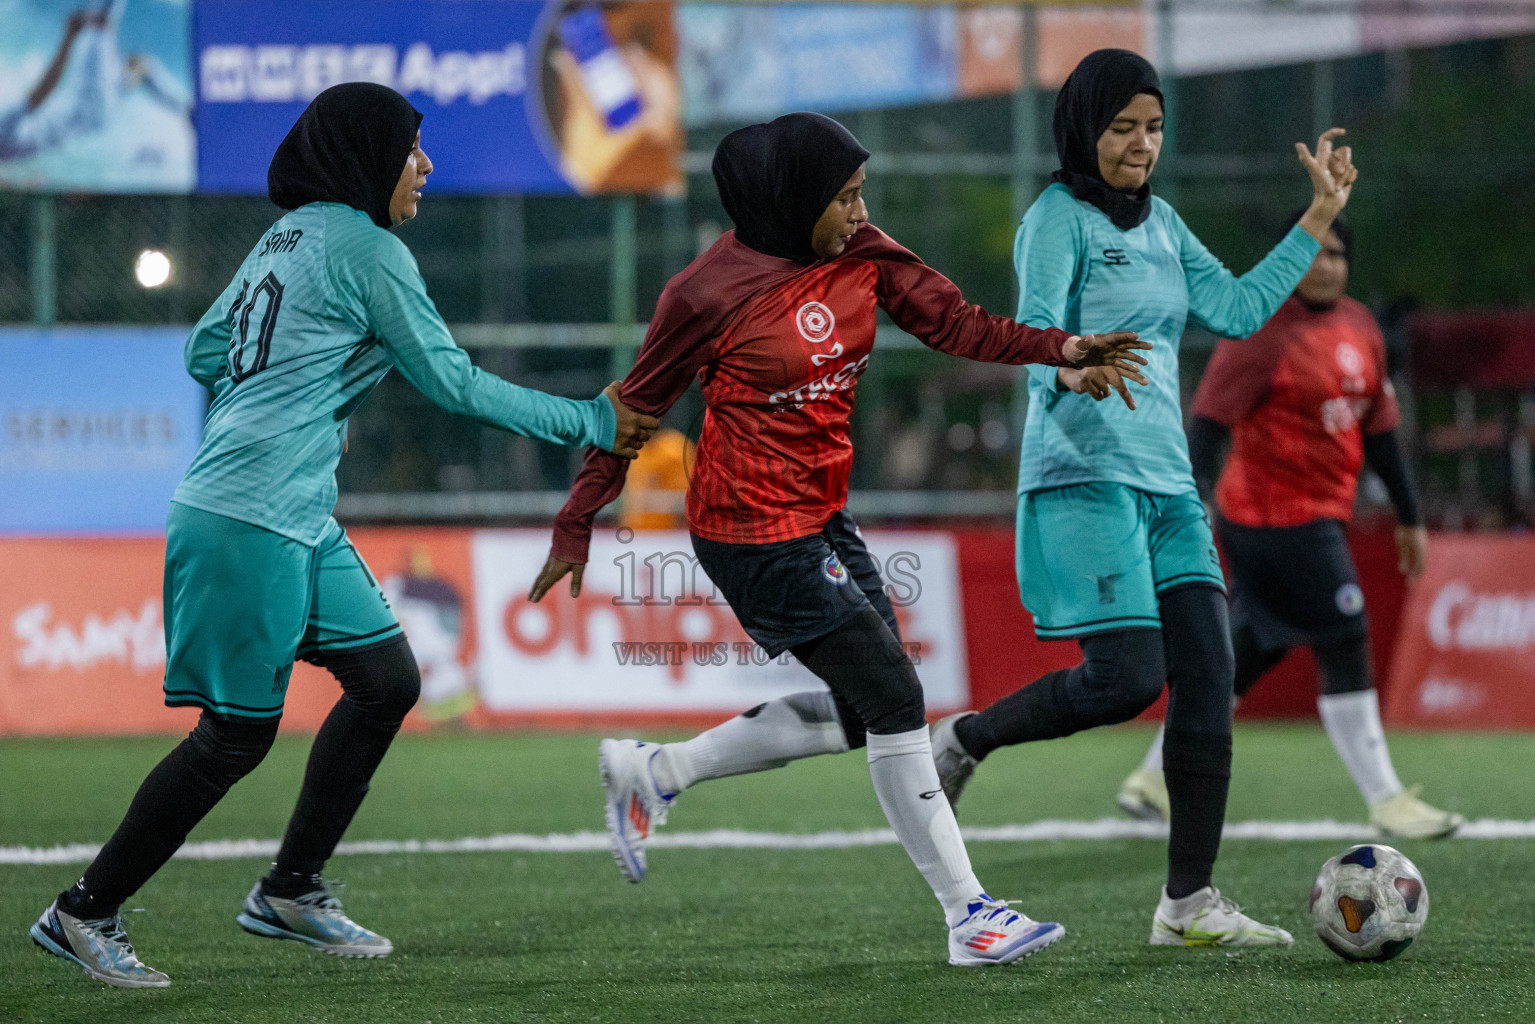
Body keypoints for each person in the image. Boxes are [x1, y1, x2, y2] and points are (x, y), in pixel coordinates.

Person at [29, 82, 658, 989]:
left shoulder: (284, 238)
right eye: (412, 147)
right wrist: (592, 420)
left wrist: (300, 382)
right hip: (248, 513)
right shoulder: (369, 248)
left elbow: (204, 353)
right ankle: (84, 911)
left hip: (287, 513)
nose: (426, 165)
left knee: (386, 679)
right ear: (370, 155)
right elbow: (453, 383)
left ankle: (290, 889)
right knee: (234, 738)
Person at [528, 112, 1148, 966]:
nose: (860, 211)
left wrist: (1062, 349)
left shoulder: (864, 253)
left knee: (868, 715)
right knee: (896, 697)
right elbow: (629, 412)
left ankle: (658, 772)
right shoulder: (704, 293)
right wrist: (576, 520)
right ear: (790, 200)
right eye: (844, 197)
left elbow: (954, 321)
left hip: (821, 513)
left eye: (863, 192)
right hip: (747, 530)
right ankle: (969, 915)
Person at [927, 49, 1358, 948]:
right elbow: (1030, 335)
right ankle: (964, 738)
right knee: (1127, 680)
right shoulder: (1056, 218)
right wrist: (1068, 372)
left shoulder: (1161, 223)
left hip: (1167, 483)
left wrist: (1318, 214)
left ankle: (1186, 905)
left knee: (1209, 675)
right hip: (1083, 475)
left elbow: (1237, 309)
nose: (1140, 145)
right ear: (1083, 128)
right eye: (1122, 127)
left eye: (1153, 127)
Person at [1115, 212, 1462, 839]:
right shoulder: (1256, 330)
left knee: (1252, 647)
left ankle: (1152, 778)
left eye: (1338, 254)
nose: (1326, 264)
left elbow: (1380, 431)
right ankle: (1385, 798)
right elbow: (1206, 430)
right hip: (1271, 518)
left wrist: (1411, 517)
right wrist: (1178, 511)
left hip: (1317, 514)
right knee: (1345, 632)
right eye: (1315, 252)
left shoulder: (1358, 323)